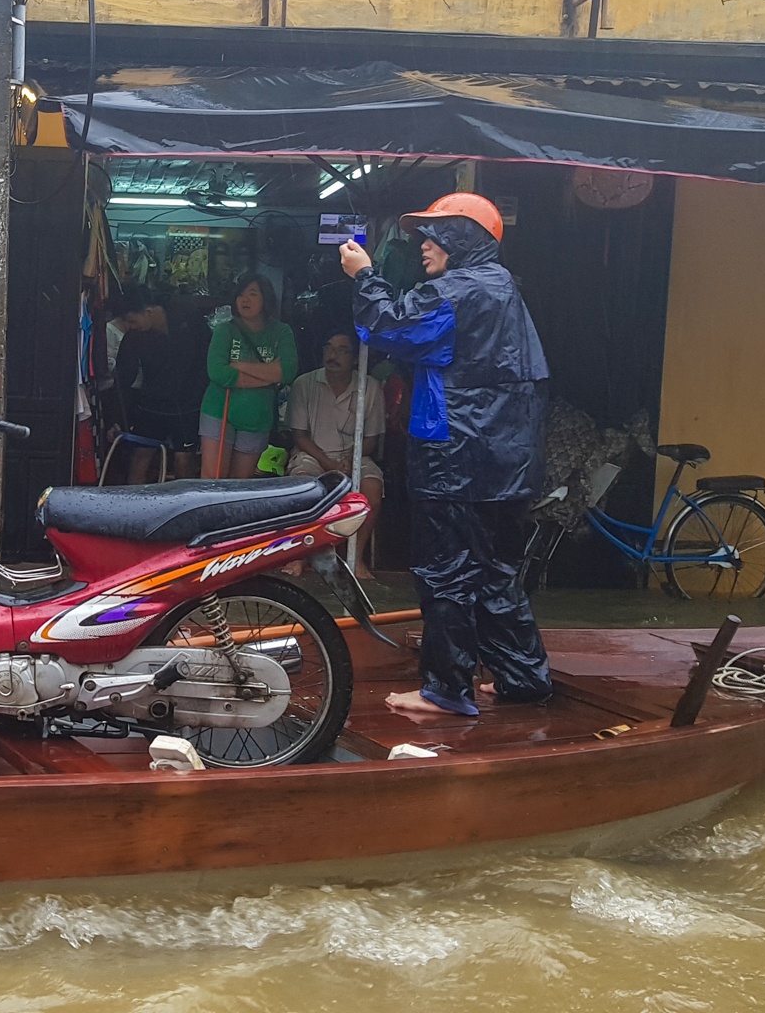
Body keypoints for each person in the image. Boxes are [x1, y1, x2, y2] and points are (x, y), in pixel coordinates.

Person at [339, 193, 551, 717]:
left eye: (435, 235)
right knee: (496, 572)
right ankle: (522, 677)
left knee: (446, 571)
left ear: (461, 238)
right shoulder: (502, 288)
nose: (424, 245)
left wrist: (364, 275)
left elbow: (389, 326)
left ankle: (447, 688)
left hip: (457, 458)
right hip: (507, 462)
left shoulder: (457, 291)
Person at [286, 330, 384, 578]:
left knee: (372, 488)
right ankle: (299, 556)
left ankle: (355, 558)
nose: (333, 355)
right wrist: (328, 463)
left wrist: (350, 460)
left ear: (356, 358)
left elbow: (371, 439)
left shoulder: (370, 387)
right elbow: (300, 436)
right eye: (329, 348)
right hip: (312, 453)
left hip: (355, 455)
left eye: (342, 350)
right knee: (302, 487)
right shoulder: (304, 383)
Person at [200, 274, 296, 479]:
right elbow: (218, 372)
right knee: (212, 481)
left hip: (257, 417)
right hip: (220, 411)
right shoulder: (225, 330)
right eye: (241, 294)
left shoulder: (281, 332)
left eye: (253, 294)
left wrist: (239, 366)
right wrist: (269, 374)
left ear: (266, 298)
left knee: (240, 486)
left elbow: (288, 372)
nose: (245, 299)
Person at [106, 291, 206, 482]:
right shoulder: (134, 336)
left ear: (148, 312)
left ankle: (184, 499)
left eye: (133, 321)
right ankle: (133, 500)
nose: (131, 326)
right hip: (151, 405)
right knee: (140, 456)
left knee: (184, 460)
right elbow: (123, 378)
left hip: (188, 406)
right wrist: (115, 418)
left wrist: (198, 397)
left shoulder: (189, 319)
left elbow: (206, 360)